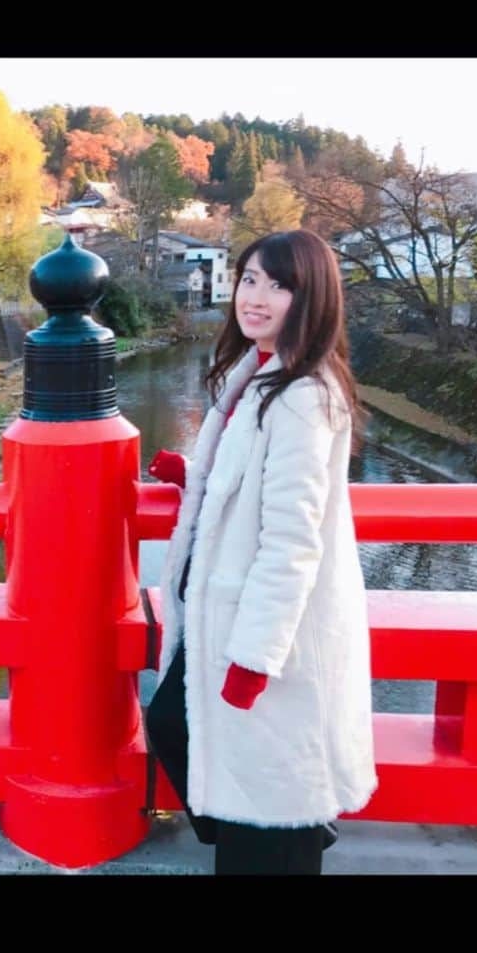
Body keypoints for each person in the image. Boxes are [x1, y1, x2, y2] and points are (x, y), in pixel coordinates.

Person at [143, 229, 378, 875]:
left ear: (312, 298)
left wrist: (253, 658)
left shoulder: (303, 395)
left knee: (265, 803)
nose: (257, 296)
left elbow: (293, 539)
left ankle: (298, 836)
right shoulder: (264, 370)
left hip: (257, 626)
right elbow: (254, 483)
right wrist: (195, 473)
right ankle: (285, 832)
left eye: (279, 285)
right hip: (225, 608)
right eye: (249, 279)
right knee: (177, 725)